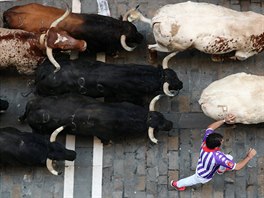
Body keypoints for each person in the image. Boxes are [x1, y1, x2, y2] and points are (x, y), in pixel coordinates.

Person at [171, 114, 257, 191]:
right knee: (192, 180)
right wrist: (249, 157)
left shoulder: (206, 141)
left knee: (229, 158)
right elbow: (237, 167)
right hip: (203, 175)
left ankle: (220, 170)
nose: (223, 141)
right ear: (216, 147)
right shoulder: (218, 157)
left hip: (204, 163)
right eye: (221, 141)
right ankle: (176, 184)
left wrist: (224, 120)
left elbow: (210, 128)